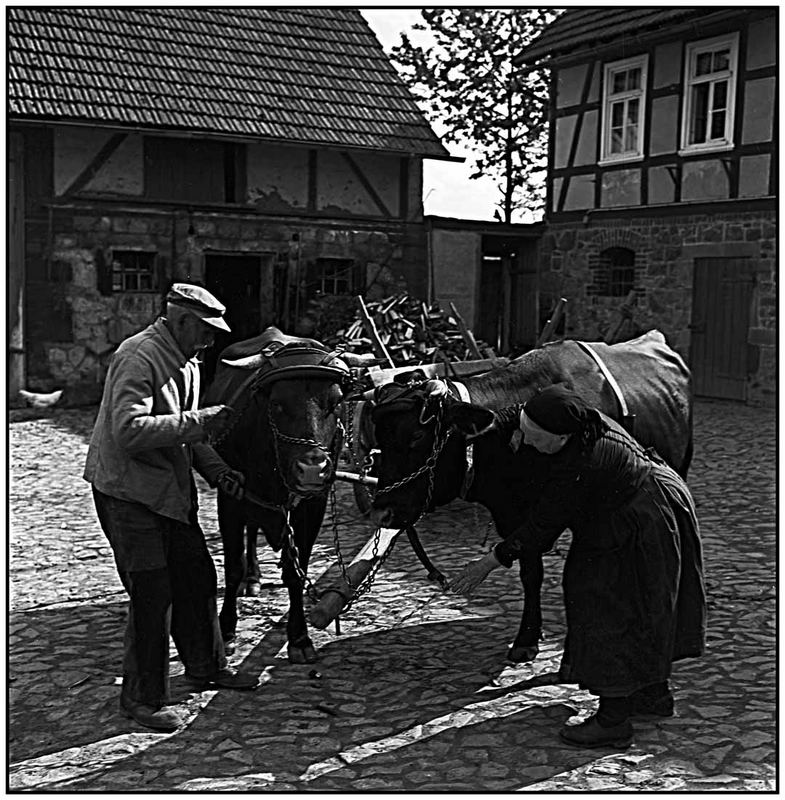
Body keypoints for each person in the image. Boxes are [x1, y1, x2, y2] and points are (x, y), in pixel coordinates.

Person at [451, 384, 706, 748]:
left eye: (537, 440)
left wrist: (489, 562)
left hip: (642, 519)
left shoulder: (582, 463)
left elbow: (543, 527)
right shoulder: (564, 415)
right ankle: (652, 693)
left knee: (608, 605)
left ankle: (613, 719)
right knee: (647, 605)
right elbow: (518, 419)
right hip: (647, 502)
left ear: (561, 439)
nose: (529, 444)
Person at [84, 283, 259, 733]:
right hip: (128, 494)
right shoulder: (138, 356)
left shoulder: (188, 360)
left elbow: (187, 435)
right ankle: (142, 700)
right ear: (181, 321)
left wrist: (219, 471)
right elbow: (128, 430)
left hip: (167, 493)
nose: (209, 341)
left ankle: (206, 666)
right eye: (203, 331)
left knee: (197, 577)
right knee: (152, 594)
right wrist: (201, 421)